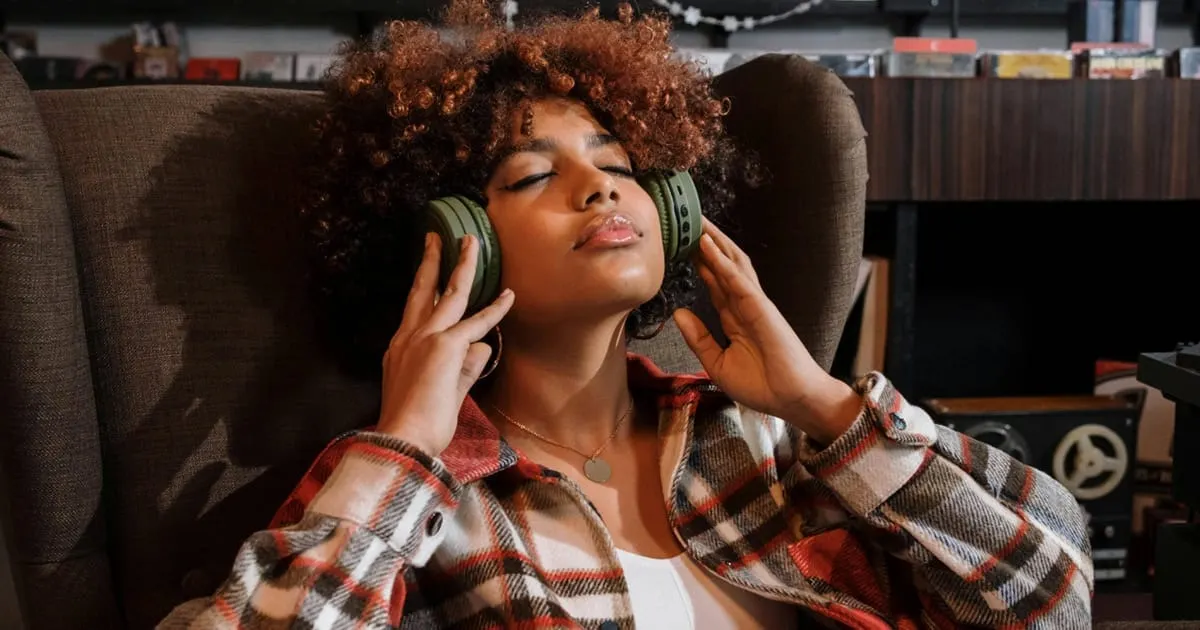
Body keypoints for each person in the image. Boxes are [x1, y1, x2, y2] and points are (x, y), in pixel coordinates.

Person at [160, 2, 1093, 628]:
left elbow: (1055, 600)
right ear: (458, 244)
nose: (597, 187)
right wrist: (406, 439)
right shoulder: (425, 496)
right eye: (532, 175)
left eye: (617, 162)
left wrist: (826, 409)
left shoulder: (772, 445)